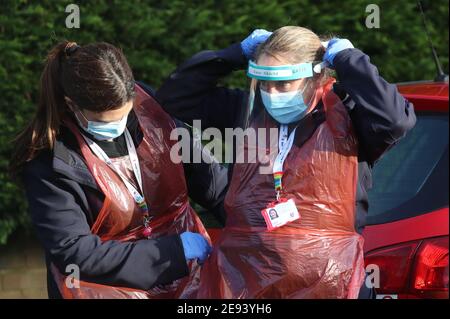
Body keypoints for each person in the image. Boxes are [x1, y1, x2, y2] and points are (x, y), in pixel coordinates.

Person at [156, 26, 417, 298]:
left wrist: (349, 59)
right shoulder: (248, 111)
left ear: (315, 78)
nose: (272, 93)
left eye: (283, 84)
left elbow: (396, 120)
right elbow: (174, 98)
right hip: (248, 280)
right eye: (265, 83)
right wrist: (234, 54)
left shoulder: (348, 118)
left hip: (330, 282)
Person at [10, 41, 228, 299]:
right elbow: (76, 252)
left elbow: (209, 178)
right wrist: (171, 253)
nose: (118, 127)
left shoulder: (150, 110)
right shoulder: (50, 162)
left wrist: (249, 222)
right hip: (104, 286)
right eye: (105, 120)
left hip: (188, 274)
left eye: (124, 114)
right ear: (72, 105)